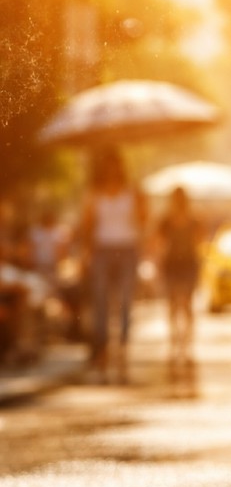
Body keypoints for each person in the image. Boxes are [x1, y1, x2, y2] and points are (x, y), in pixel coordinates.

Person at [79, 148, 147, 384]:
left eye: (115, 164)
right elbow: (87, 227)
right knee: (101, 302)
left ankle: (123, 355)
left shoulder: (132, 192)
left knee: (126, 301)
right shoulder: (94, 194)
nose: (112, 170)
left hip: (128, 248)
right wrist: (86, 254)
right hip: (102, 250)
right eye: (107, 165)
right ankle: (104, 353)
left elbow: (143, 220)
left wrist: (141, 198)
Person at [154, 186, 203, 389]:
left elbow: (200, 241)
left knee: (186, 305)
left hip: (188, 264)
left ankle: (186, 347)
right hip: (172, 265)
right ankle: (176, 345)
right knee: (174, 305)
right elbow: (158, 243)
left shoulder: (194, 220)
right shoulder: (166, 221)